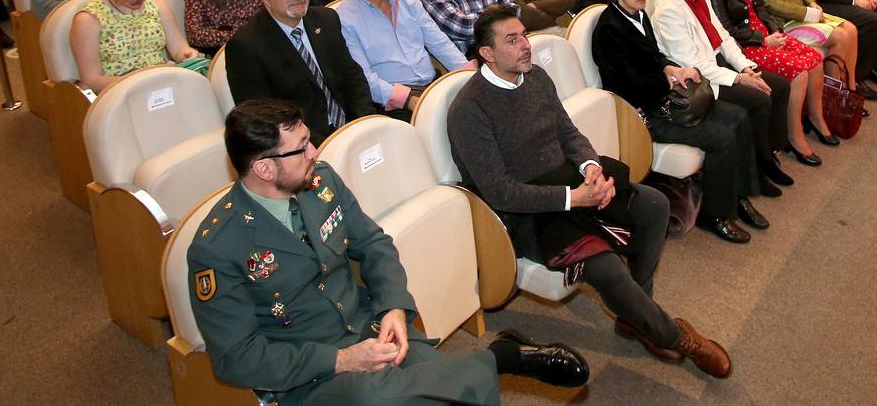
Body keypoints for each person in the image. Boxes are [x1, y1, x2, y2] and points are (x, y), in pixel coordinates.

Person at [187, 99, 588, 406]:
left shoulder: (320, 181)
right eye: (301, 148)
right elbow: (237, 358)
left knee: (434, 393)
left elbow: (373, 244)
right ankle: (498, 360)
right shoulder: (217, 247)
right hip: (306, 374)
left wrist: (392, 307)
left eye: (309, 141)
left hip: (367, 328)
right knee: (383, 397)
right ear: (264, 169)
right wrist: (340, 361)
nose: (315, 154)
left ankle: (486, 362)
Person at [448, 6, 732, 378]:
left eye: (524, 35)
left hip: (569, 181)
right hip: (529, 214)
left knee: (655, 204)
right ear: (486, 53)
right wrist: (573, 198)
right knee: (608, 268)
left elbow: (567, 132)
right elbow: (500, 192)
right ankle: (677, 337)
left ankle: (635, 314)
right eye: (512, 40)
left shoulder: (535, 77)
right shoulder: (469, 109)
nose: (525, 46)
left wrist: (590, 167)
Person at [592, 0, 766, 242]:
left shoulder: (638, 14)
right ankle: (716, 214)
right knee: (721, 137)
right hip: (644, 113)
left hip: (663, 99)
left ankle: (738, 195)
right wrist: (666, 78)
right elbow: (626, 86)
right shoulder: (609, 29)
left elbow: (653, 57)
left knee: (738, 115)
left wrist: (669, 67)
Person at [651, 0, 797, 196]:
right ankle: (760, 168)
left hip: (719, 64)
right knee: (759, 100)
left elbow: (724, 38)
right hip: (701, 80)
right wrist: (739, 79)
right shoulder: (668, 11)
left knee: (780, 86)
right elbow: (694, 63)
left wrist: (746, 67)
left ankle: (769, 154)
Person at [701, 0, 836, 165]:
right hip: (748, 45)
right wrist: (763, 40)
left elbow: (760, 7)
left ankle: (816, 119)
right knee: (799, 72)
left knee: (815, 59)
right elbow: (727, 31)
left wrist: (774, 29)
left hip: (766, 34)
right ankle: (793, 136)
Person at [226, 0, 376, 138]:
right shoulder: (246, 46)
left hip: (351, 127)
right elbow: (262, 119)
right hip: (302, 145)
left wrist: (365, 123)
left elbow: (353, 77)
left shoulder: (326, 19)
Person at [338, 0, 470, 117]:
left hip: (431, 86)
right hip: (392, 103)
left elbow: (440, 43)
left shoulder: (407, 1)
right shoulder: (345, 19)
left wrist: (468, 73)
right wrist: (407, 99)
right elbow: (364, 78)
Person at [70, 0, 199, 93]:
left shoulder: (156, 5)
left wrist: (188, 55)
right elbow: (91, 79)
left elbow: (179, 49)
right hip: (120, 91)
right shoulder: (89, 19)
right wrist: (141, 83)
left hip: (161, 82)